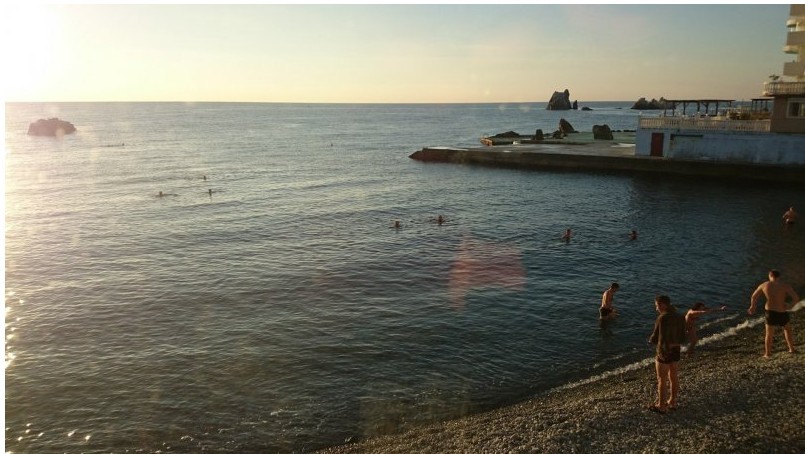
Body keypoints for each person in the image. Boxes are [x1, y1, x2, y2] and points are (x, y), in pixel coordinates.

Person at [648, 295, 686, 413]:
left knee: (662, 379)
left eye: (657, 306)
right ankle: (672, 402)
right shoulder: (680, 317)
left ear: (663, 304)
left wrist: (651, 341)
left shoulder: (662, 317)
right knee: (674, 376)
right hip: (676, 349)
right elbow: (683, 337)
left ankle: (661, 406)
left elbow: (655, 337)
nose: (656, 308)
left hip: (664, 351)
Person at [748, 269, 800, 358]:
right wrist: (790, 306)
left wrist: (752, 307)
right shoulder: (785, 286)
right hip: (782, 311)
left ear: (770, 276)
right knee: (787, 329)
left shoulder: (764, 285)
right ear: (779, 277)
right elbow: (796, 298)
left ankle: (767, 354)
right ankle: (791, 349)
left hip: (770, 312)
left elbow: (754, 297)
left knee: (769, 334)